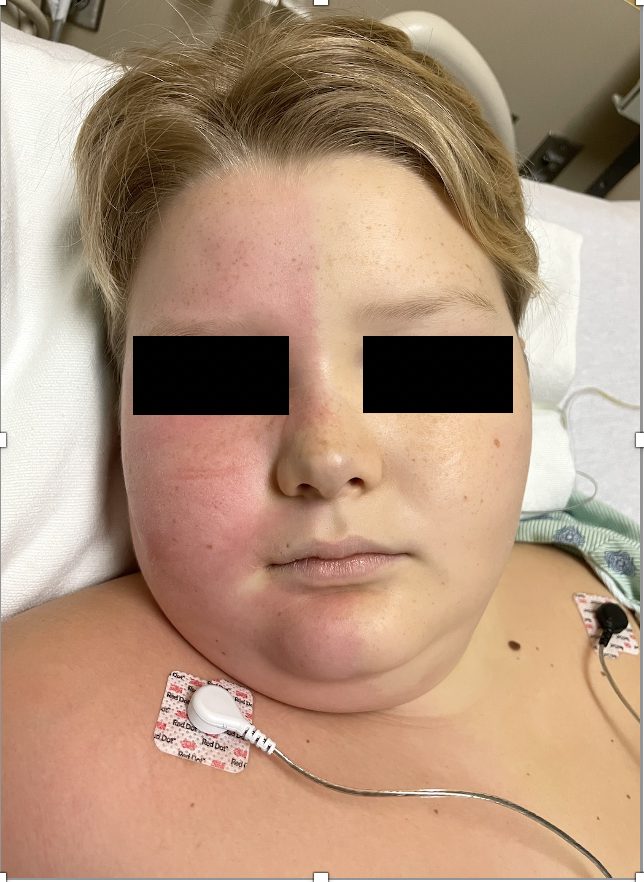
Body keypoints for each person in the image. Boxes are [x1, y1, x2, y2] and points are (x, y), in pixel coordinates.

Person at [2, 12, 639, 878]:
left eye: (424, 363)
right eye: (222, 378)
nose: (329, 458)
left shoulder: (607, 566)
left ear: (525, 376)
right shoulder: (25, 757)